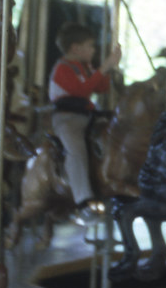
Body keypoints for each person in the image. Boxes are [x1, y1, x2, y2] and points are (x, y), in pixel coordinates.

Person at [48, 23, 121, 220]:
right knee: (76, 149)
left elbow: (101, 88)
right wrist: (105, 66)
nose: (93, 50)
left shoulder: (85, 66)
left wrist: (109, 72)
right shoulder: (62, 67)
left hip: (87, 115)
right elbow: (82, 90)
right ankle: (84, 202)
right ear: (75, 48)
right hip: (67, 118)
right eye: (90, 46)